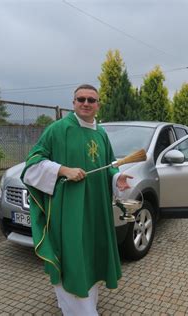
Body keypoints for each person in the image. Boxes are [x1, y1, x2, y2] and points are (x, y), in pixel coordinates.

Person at [21, 84, 133, 314]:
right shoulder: (57, 130)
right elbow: (31, 165)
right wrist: (62, 169)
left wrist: (117, 178)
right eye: (81, 99)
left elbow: (108, 165)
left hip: (96, 210)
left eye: (91, 100)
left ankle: (86, 305)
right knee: (73, 257)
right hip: (68, 211)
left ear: (98, 105)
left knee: (91, 258)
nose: (86, 103)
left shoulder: (101, 133)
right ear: (73, 103)